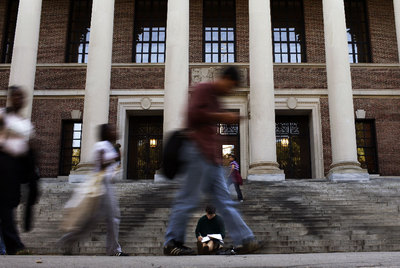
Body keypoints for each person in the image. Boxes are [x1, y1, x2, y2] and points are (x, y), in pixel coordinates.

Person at [163, 66, 261, 255]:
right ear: (224, 78)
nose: (230, 91)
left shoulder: (215, 99)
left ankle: (246, 240)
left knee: (225, 202)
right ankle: (172, 242)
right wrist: (220, 116)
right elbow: (191, 115)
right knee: (188, 200)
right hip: (197, 152)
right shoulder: (203, 89)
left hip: (212, 160)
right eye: (230, 86)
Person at [59, 124, 128, 256]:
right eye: (112, 130)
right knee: (111, 217)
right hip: (101, 185)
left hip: (106, 185)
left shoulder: (109, 147)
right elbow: (101, 164)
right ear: (106, 133)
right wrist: (115, 157)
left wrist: (116, 158)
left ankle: (68, 240)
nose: (116, 131)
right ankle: (113, 250)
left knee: (93, 220)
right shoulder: (101, 145)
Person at [0, 86, 33, 255]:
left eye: (22, 96)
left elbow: (25, 148)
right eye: (16, 96)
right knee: (6, 207)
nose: (19, 99)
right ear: (10, 98)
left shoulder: (24, 123)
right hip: (2, 161)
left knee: (8, 206)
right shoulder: (2, 115)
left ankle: (10, 245)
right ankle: (15, 245)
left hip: (14, 167)